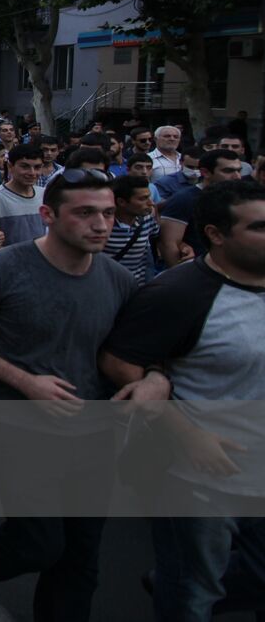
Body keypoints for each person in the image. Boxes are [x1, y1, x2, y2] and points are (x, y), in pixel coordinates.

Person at [0, 168, 137, 622]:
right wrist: (26, 382)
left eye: (108, 213)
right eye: (86, 213)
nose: (101, 224)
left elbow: (130, 353)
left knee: (81, 557)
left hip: (94, 429)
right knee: (38, 541)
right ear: (47, 214)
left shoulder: (119, 279)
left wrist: (153, 381)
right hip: (17, 425)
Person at [99, 180, 265, 621]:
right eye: (259, 227)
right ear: (215, 234)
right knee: (194, 593)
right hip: (203, 482)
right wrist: (186, 435)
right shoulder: (179, 293)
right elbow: (119, 364)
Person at [160, 149, 243, 267]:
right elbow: (168, 243)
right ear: (205, 172)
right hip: (198, 271)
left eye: (239, 171)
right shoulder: (185, 199)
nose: (237, 177)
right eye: (228, 171)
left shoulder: (240, 198)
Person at [0, 144, 46, 254]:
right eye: (25, 167)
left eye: (37, 167)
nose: (32, 173)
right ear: (10, 166)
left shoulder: (44, 195)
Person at [104, 175, 161, 285]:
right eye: (142, 199)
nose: (151, 203)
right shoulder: (102, 224)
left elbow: (157, 238)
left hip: (136, 288)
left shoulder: (147, 219)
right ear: (121, 202)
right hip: (107, 288)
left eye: (149, 197)